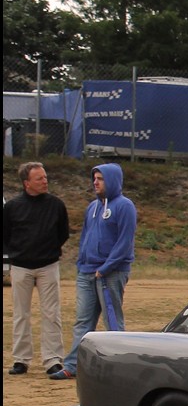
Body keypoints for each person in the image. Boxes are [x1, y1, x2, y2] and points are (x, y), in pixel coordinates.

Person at [55, 163, 137, 380]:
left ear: (112, 180)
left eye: (100, 178)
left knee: (112, 322)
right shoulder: (92, 208)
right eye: (94, 178)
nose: (95, 182)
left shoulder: (124, 206)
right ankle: (73, 366)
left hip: (111, 272)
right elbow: (85, 237)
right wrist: (82, 262)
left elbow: (125, 242)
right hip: (86, 271)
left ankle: (119, 367)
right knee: (83, 321)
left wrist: (106, 267)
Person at [4, 162, 72, 376]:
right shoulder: (12, 207)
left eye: (45, 177)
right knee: (20, 314)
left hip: (48, 266)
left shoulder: (56, 205)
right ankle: (21, 359)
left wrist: (49, 250)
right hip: (21, 267)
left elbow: (63, 233)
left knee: (51, 313)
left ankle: (53, 359)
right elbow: (5, 235)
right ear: (27, 183)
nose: (45, 181)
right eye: (39, 179)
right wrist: (18, 252)